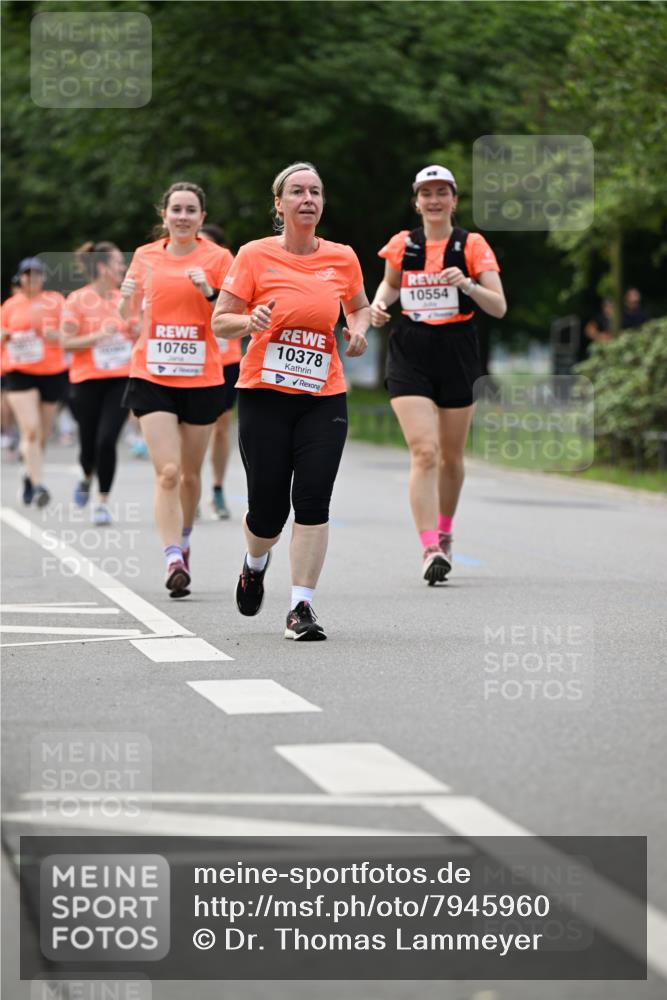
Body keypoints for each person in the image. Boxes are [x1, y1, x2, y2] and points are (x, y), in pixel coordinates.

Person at [212, 161, 369, 641]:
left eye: (315, 192)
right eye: (297, 191)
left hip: (323, 395)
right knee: (266, 509)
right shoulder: (254, 255)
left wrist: (358, 331)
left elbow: (358, 306)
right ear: (278, 204)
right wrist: (250, 323)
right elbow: (221, 320)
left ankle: (301, 607)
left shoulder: (342, 257)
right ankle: (254, 563)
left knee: (313, 500)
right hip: (263, 393)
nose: (308, 199)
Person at [369, 165, 506, 585]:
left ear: (454, 199)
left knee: (450, 457)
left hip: (457, 352)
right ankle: (429, 546)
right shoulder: (403, 244)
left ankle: (445, 531)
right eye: (426, 193)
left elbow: (498, 306)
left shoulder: (472, 245)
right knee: (424, 452)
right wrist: (378, 305)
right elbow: (391, 286)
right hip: (410, 350)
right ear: (416, 201)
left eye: (441, 192)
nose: (433, 200)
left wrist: (466, 285)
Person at [119, 181, 233, 596]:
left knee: (189, 474)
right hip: (152, 373)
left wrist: (208, 291)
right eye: (176, 209)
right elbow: (128, 317)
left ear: (202, 218)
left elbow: (230, 316)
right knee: (166, 472)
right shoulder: (145, 257)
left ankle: (185, 541)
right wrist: (124, 299)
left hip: (202, 376)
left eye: (191, 210)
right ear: (163, 215)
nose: (183, 216)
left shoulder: (220, 258)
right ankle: (171, 558)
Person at [62, 241, 137, 525]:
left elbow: (136, 334)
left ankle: (102, 501)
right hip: (86, 381)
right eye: (119, 264)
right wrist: (96, 337)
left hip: (120, 380)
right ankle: (85, 475)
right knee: (88, 444)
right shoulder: (77, 300)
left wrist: (136, 331)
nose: (123, 268)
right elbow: (66, 342)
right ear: (104, 267)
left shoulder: (124, 300)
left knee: (107, 441)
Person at [0, 257, 67, 506]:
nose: (32, 279)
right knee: (30, 429)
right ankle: (39, 487)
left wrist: (57, 335)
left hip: (51, 371)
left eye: (37, 274)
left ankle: (28, 473)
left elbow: (71, 332)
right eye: (27, 274)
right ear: (20, 278)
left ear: (43, 278)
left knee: (42, 435)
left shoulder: (56, 302)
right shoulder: (9, 306)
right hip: (19, 372)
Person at [200, 223, 239, 519]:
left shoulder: (232, 269)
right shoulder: (181, 269)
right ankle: (188, 486)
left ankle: (217, 488)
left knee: (221, 427)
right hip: (191, 362)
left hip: (225, 360)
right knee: (190, 428)